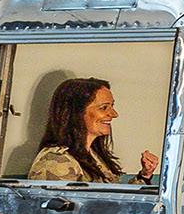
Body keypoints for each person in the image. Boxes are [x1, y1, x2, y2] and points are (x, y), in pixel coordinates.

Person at [22, 78, 157, 183]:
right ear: (77, 113)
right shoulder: (56, 161)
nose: (114, 114)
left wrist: (144, 175)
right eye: (104, 108)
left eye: (112, 106)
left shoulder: (94, 156)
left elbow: (113, 202)